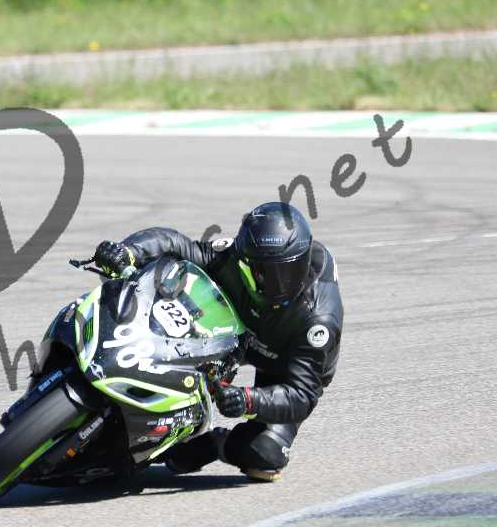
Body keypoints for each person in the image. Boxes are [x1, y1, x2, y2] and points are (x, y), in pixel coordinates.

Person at [92, 202, 342, 482]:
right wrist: (128, 252)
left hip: (284, 361)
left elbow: (302, 393)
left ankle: (213, 443)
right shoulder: (234, 257)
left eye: (287, 273)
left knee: (262, 454)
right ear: (245, 260)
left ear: (303, 263)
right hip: (234, 327)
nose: (275, 285)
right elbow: (176, 244)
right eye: (262, 272)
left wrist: (249, 400)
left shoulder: (318, 320)